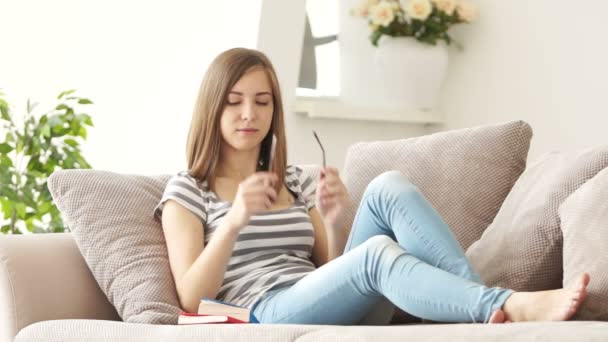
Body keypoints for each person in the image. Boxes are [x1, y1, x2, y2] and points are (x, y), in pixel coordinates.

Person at [153, 47, 590, 325]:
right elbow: (191, 296)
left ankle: (474, 308)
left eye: (262, 101)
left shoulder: (290, 181)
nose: (249, 113)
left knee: (388, 186)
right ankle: (502, 305)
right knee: (380, 254)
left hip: (320, 297)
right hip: (265, 310)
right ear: (213, 108)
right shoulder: (189, 190)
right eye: (234, 102)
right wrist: (234, 222)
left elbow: (333, 267)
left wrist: (332, 219)